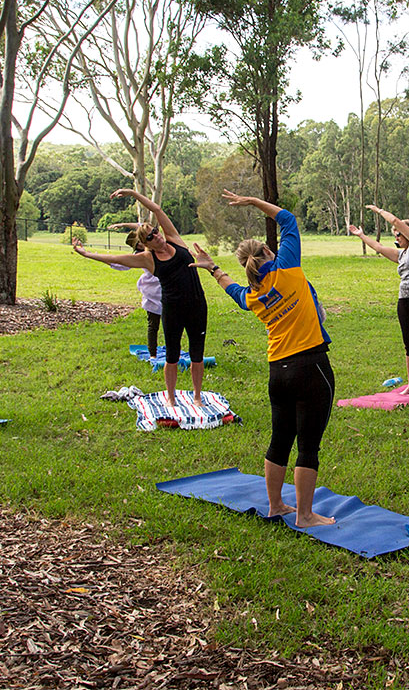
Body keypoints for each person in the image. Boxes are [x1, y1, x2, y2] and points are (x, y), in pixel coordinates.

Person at [190, 190, 336, 527]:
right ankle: (305, 515)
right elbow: (288, 220)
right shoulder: (287, 269)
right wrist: (255, 202)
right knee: (308, 445)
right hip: (310, 366)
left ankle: (276, 505)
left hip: (277, 372)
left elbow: (234, 291)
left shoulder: (255, 295)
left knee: (280, 439)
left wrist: (213, 268)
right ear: (269, 252)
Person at [73, 189, 207, 404]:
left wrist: (132, 193)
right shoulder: (147, 259)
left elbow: (157, 209)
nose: (157, 237)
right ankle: (171, 398)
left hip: (197, 305)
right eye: (151, 237)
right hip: (172, 309)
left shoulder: (174, 239)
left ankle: (197, 396)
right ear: (146, 244)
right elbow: (115, 258)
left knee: (197, 354)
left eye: (156, 232)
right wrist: (85, 253)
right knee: (172, 356)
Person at [348, 205, 409, 396]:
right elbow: (379, 248)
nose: (396, 237)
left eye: (398, 234)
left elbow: (396, 221)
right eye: (395, 235)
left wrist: (379, 211)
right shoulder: (402, 254)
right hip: (405, 303)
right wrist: (361, 235)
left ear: (408, 232)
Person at [106, 223, 164, 359]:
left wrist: (123, 225)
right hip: (152, 294)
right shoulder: (141, 256)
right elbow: (121, 264)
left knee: (172, 324)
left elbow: (143, 226)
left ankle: (173, 351)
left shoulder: (160, 247)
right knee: (153, 325)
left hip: (168, 291)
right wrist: (96, 257)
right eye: (138, 244)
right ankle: (153, 354)